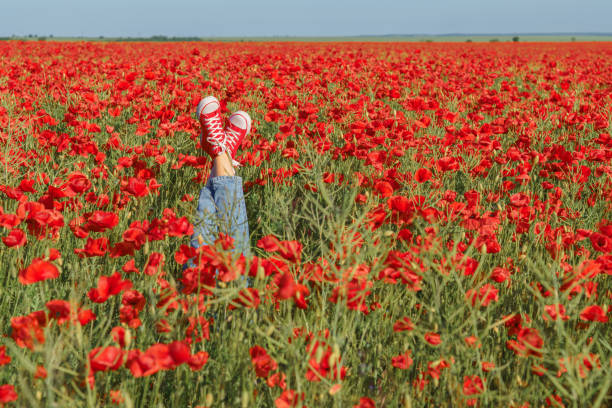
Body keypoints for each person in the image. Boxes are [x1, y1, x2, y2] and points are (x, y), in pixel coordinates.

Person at [189, 96, 251, 262]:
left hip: (197, 282)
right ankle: (222, 153)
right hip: (234, 283)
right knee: (235, 257)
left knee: (201, 254)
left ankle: (219, 151)